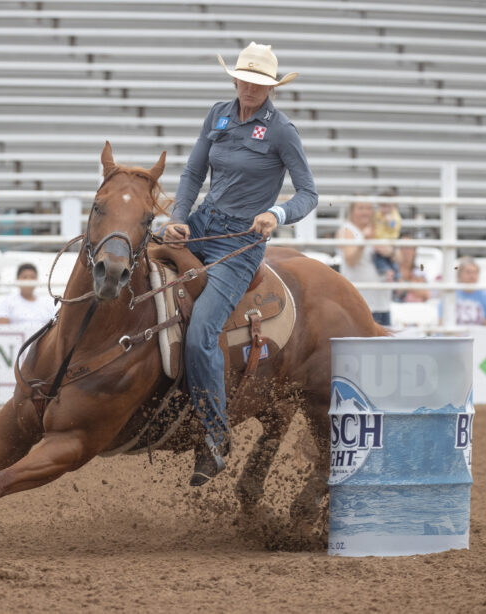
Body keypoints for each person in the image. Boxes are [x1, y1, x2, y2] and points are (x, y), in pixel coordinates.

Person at [163, 42, 318, 486]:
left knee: (202, 332)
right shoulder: (218, 115)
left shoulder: (282, 131)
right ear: (234, 79)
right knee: (139, 261)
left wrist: (277, 214)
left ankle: (215, 437)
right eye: (245, 80)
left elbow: (308, 193)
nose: (250, 88)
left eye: (259, 83)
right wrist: (177, 218)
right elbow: (193, 174)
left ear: (270, 87)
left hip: (242, 242)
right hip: (203, 224)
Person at [337, 201, 393, 326]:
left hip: (382, 302)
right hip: (360, 302)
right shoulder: (347, 230)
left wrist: (389, 252)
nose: (365, 212)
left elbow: (397, 256)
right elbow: (350, 261)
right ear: (352, 211)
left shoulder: (378, 228)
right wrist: (363, 242)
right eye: (361, 208)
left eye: (368, 208)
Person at [0, 263, 57, 331]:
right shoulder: (7, 302)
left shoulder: (47, 303)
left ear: (37, 280)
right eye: (24, 277)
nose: (29, 281)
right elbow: (1, 329)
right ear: (17, 280)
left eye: (32, 277)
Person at [438, 257, 486, 326]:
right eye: (468, 272)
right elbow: (441, 323)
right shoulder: (449, 294)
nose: (472, 276)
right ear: (459, 275)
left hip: (478, 332)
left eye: (475, 273)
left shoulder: (485, 295)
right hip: (454, 332)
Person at [371, 193, 402, 281]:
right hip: (379, 242)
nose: (384, 209)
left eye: (387, 206)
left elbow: (395, 227)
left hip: (391, 242)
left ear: (393, 206)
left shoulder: (394, 216)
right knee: (378, 259)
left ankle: (396, 275)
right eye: (382, 206)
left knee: (392, 261)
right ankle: (387, 271)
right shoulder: (378, 214)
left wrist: (390, 221)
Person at [393, 236, 431, 303]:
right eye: (402, 247)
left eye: (408, 248)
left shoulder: (418, 271)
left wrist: (406, 286)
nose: (405, 251)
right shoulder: (391, 270)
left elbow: (426, 295)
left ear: (414, 251)